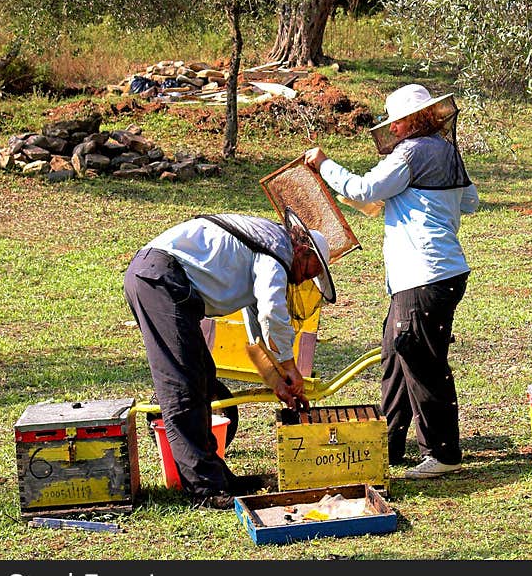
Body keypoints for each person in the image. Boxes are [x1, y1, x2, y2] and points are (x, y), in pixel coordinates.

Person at [304, 83, 479, 479]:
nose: (393, 130)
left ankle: (443, 454)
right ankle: (390, 446)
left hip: (424, 274)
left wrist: (324, 164)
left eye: (397, 123)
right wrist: (419, 200)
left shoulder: (412, 152)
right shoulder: (447, 152)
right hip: (438, 273)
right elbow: (470, 202)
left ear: (411, 121)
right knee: (395, 356)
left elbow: (363, 188)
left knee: (420, 359)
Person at [123, 207, 335, 507]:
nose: (302, 282)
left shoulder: (266, 248)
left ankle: (217, 477)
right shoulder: (276, 251)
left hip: (163, 281)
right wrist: (289, 365)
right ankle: (204, 490)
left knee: (203, 377)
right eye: (308, 272)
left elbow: (255, 330)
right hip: (159, 280)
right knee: (182, 387)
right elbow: (272, 312)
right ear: (302, 251)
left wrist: (276, 380)